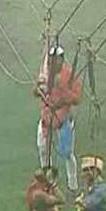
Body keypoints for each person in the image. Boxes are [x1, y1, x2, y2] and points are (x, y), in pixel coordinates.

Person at [33, 44, 83, 196]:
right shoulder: (46, 74)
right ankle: (47, 181)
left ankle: (72, 186)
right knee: (42, 148)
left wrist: (61, 90)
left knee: (68, 154)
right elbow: (35, 90)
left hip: (63, 120)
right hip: (47, 118)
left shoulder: (69, 75)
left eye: (56, 60)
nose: (53, 64)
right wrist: (41, 89)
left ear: (61, 60)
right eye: (51, 61)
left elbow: (77, 98)